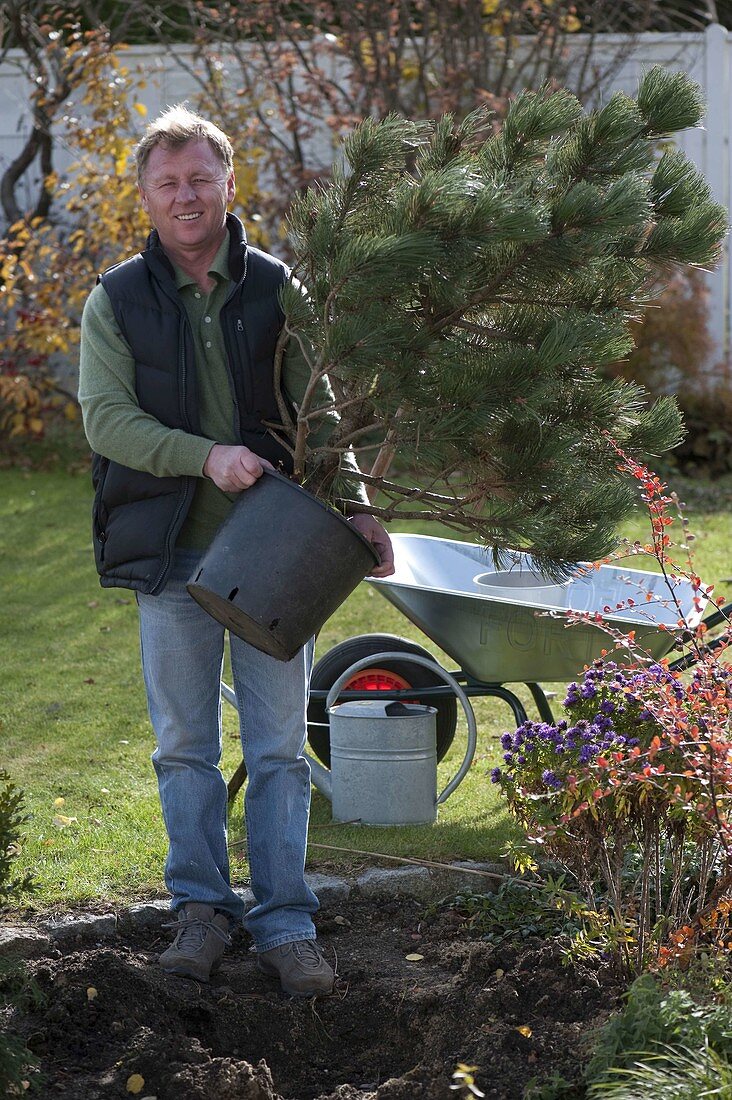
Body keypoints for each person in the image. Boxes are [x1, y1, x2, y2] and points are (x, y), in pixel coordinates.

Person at [78, 105, 394, 996]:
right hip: (170, 550)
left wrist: (358, 506)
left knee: (280, 749)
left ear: (228, 185)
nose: (186, 197)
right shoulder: (117, 300)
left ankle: (286, 923)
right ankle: (202, 914)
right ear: (144, 195)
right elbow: (106, 422)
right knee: (184, 746)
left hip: (277, 554)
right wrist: (202, 456)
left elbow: (317, 408)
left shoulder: (273, 286)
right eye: (167, 183)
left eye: (201, 180)